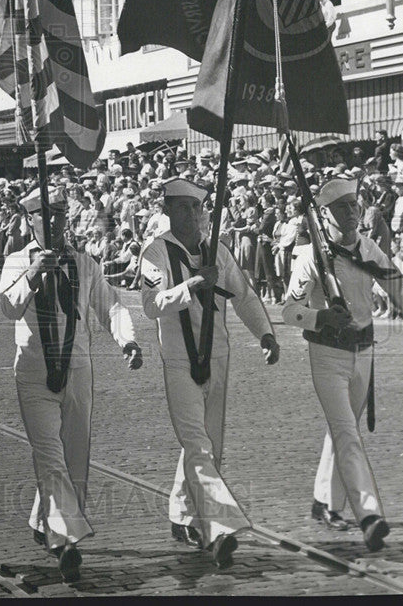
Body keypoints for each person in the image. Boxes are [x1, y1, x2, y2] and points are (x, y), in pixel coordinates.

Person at [281, 178, 403, 551]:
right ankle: (370, 515)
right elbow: (288, 311)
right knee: (347, 434)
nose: (352, 213)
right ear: (324, 215)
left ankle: (324, 502)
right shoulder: (312, 257)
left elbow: (399, 289)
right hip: (327, 355)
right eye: (342, 207)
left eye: (354, 205)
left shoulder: (369, 248)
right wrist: (320, 318)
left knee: (343, 430)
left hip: (364, 352)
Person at [0, 186, 143, 583]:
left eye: (61, 215)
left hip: (78, 367)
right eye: (46, 216)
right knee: (49, 452)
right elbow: (8, 306)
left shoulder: (83, 262)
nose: (56, 223)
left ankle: (42, 518)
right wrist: (32, 273)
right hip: (33, 369)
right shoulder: (15, 261)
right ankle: (65, 543)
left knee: (75, 456)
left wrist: (127, 339)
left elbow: (109, 304)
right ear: (30, 220)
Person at [139, 178, 279, 569]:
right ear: (167, 211)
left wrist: (265, 333)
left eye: (196, 208)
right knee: (199, 446)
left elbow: (244, 296)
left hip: (218, 355)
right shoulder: (155, 253)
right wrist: (192, 285)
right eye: (182, 208)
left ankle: (181, 514)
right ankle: (218, 528)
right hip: (180, 360)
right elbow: (152, 305)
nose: (192, 215)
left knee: (207, 447)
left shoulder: (216, 249)